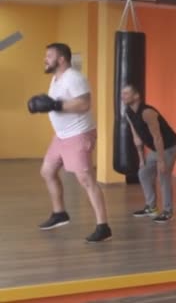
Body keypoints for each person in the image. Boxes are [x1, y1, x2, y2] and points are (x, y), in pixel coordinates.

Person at [28, 43, 112, 243]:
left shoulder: (74, 78)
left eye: (49, 56)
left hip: (78, 134)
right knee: (47, 172)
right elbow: (59, 104)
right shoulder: (56, 79)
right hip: (61, 136)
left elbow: (84, 104)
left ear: (61, 59)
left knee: (86, 180)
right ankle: (60, 214)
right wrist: (45, 105)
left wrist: (55, 105)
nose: (45, 59)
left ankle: (103, 227)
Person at [120, 84, 176, 223]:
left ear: (136, 96)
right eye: (122, 93)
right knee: (143, 173)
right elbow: (136, 137)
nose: (123, 96)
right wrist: (141, 159)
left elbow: (158, 137)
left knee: (163, 175)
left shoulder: (147, 112)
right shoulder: (128, 111)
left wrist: (161, 161)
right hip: (155, 148)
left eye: (127, 93)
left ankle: (167, 211)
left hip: (169, 146)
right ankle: (151, 207)